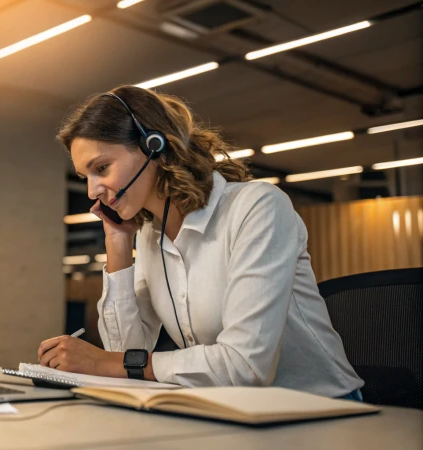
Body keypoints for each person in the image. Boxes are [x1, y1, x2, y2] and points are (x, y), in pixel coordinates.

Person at [37, 85, 364, 400]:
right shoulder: (150, 235)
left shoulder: (257, 207)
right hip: (230, 408)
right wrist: (118, 241)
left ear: (153, 147)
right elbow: (125, 354)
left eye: (102, 168)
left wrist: (107, 363)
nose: (92, 191)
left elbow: (246, 367)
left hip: (321, 406)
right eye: (86, 178)